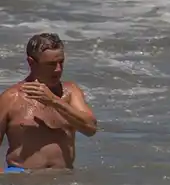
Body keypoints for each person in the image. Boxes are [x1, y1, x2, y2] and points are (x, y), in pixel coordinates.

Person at [0, 33, 97, 172]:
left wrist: (53, 101)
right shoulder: (11, 97)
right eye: (51, 64)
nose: (58, 69)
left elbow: (91, 128)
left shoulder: (71, 92)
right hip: (23, 182)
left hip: (63, 183)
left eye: (61, 62)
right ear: (31, 62)